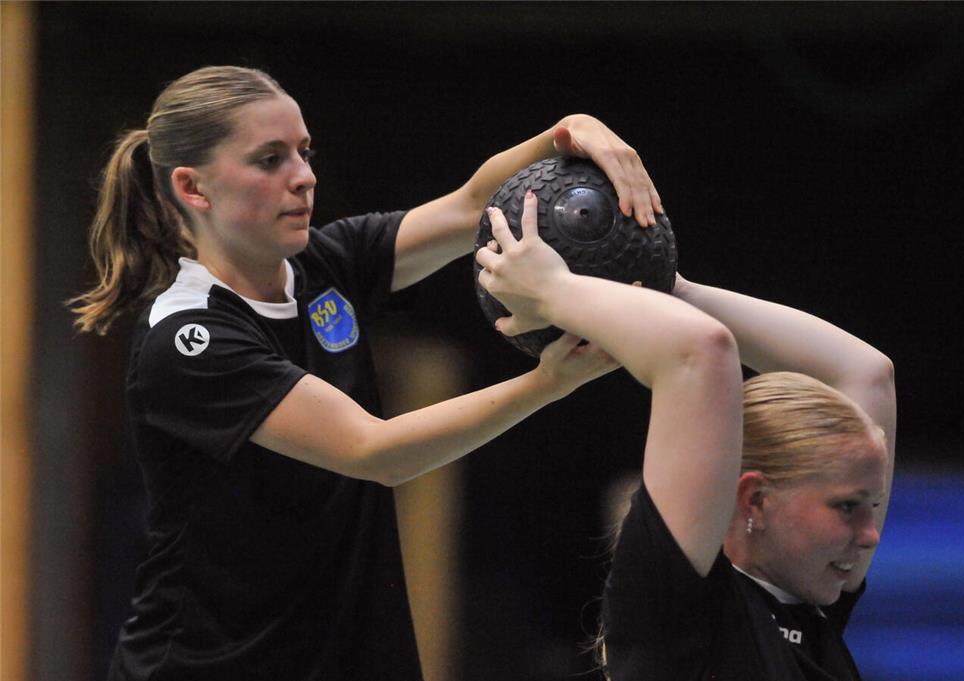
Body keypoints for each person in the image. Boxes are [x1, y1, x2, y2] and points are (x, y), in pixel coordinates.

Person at [70, 65, 664, 681]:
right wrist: (550, 382)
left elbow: (470, 206)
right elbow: (373, 449)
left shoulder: (326, 263)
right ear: (194, 189)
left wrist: (569, 132)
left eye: (305, 151)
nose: (303, 177)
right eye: (270, 159)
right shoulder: (189, 339)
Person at [476, 191, 896, 680]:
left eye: (872, 505)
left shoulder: (810, 607)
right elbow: (701, 350)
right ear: (755, 499)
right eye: (847, 507)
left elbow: (868, 374)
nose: (870, 535)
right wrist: (550, 290)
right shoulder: (681, 610)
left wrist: (666, 288)